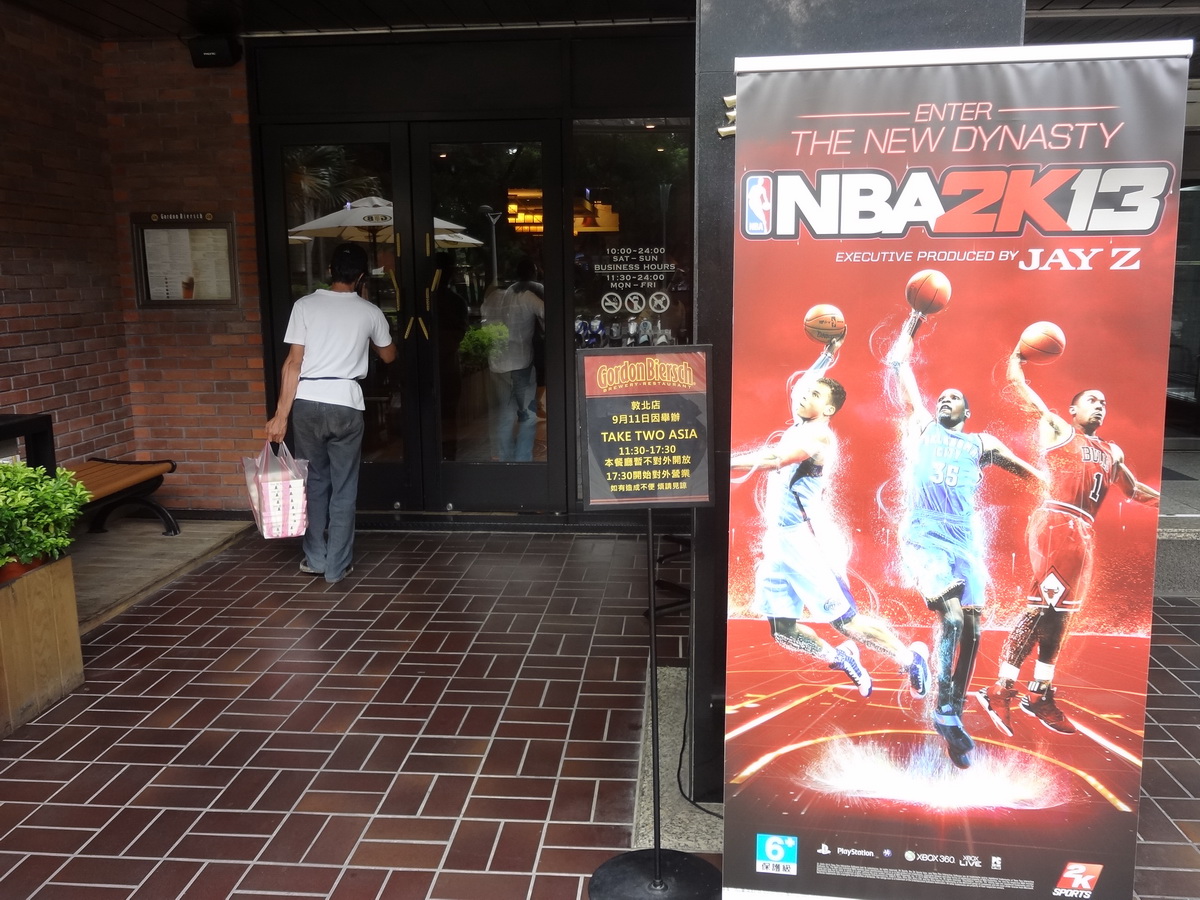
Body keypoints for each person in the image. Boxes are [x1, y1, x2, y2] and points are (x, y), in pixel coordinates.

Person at [732, 340, 930, 702]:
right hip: (778, 543)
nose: (802, 395)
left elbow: (777, 458)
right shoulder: (800, 423)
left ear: (828, 409)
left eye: (813, 395)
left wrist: (726, 460)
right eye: (803, 392)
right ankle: (840, 658)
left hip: (808, 541)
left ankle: (910, 659)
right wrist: (827, 352)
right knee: (782, 630)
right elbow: (805, 383)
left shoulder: (819, 434)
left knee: (845, 621)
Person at [976, 352, 1160, 736]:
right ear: (1073, 409)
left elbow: (1135, 490)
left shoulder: (1112, 451)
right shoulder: (1059, 429)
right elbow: (1021, 390)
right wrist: (1017, 356)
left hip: (1084, 532)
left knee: (1060, 616)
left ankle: (1039, 693)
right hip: (1056, 522)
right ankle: (1000, 689)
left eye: (1104, 402)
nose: (1100, 405)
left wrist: (1165, 502)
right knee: (1040, 608)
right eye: (1092, 400)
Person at [889, 330, 1043, 768]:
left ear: (967, 412)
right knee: (953, 617)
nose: (944, 400)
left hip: (964, 541)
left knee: (974, 630)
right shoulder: (924, 427)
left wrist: (1056, 489)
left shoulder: (982, 444)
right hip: (925, 534)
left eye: (954, 398)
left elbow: (1029, 473)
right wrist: (913, 322)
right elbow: (901, 370)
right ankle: (942, 704)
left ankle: (951, 711)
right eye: (941, 397)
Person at [265, 243, 396, 584]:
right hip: (346, 402)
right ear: (362, 277)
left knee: (315, 481)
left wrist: (280, 415)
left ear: (329, 271)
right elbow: (389, 356)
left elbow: (293, 363)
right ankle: (337, 566)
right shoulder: (370, 312)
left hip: (306, 402)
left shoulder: (304, 306)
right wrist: (366, 338)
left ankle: (315, 559)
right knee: (344, 486)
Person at [481, 257, 545, 461]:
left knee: (505, 415)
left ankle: (505, 460)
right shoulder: (526, 296)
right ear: (532, 274)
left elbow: (484, 324)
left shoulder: (492, 298)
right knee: (527, 415)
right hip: (520, 364)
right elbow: (550, 313)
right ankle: (522, 460)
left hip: (496, 364)